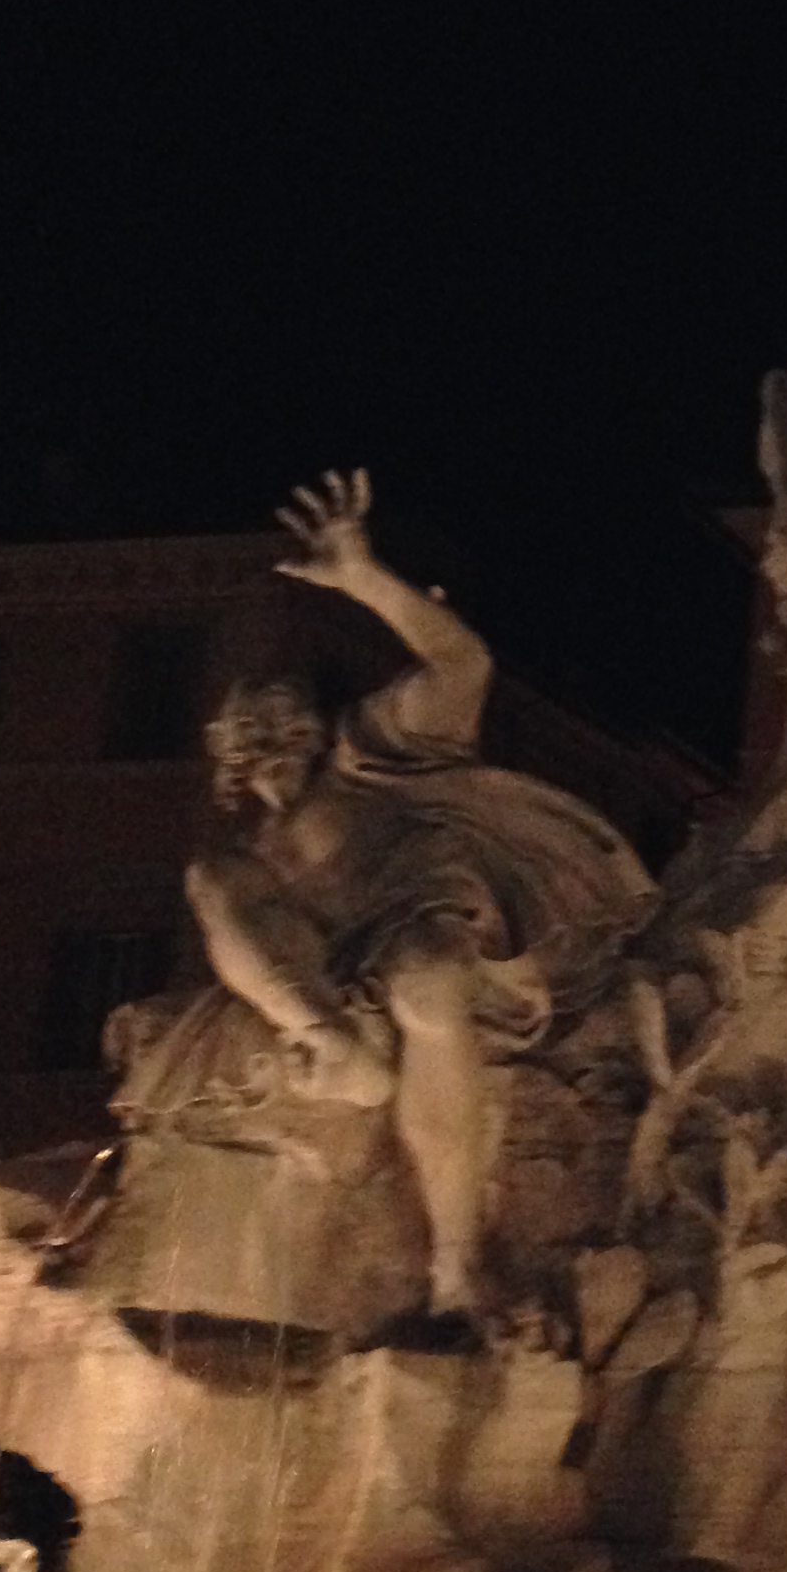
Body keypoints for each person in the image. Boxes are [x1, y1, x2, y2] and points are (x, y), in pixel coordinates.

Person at [187, 470, 656, 1328]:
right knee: (215, 882)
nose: (273, 739)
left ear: (316, 727)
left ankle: (456, 1266)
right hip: (345, 991)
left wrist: (364, 577)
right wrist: (321, 1025)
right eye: (252, 731)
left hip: (478, 945)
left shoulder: (373, 753)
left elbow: (462, 663)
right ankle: (334, 1044)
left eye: (287, 721)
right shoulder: (244, 862)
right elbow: (249, 930)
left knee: (428, 971)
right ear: (226, 757)